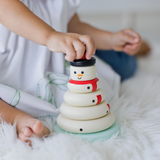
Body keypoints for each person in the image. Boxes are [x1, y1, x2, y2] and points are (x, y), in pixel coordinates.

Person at [0, 0, 141, 144]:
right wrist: (50, 36)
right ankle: (16, 118)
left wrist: (110, 39)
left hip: (54, 63)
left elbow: (74, 27)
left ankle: (132, 48)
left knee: (125, 64)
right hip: (10, 70)